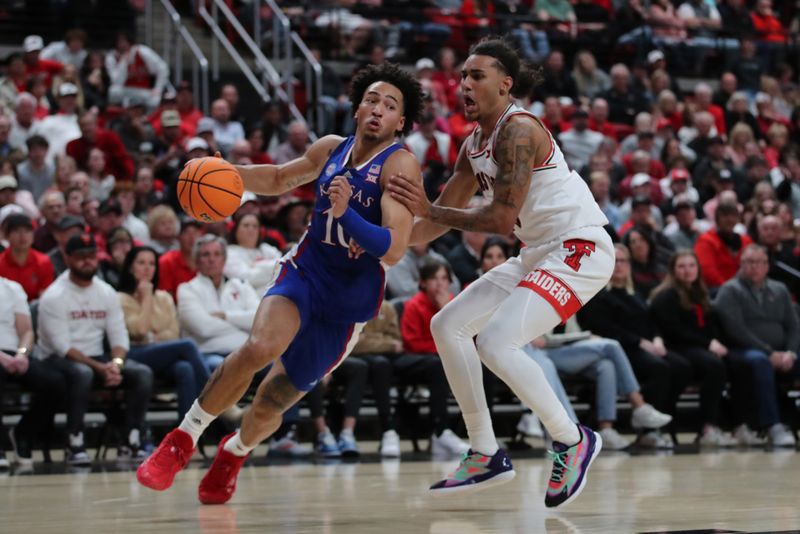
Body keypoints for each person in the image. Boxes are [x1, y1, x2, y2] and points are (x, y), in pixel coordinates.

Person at [137, 62, 423, 505]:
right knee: (260, 347)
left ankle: (234, 453)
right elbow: (277, 178)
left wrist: (346, 213)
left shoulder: (400, 164)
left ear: (399, 122)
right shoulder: (332, 148)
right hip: (305, 273)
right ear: (356, 108)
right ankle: (181, 439)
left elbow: (393, 249)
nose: (377, 109)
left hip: (346, 306)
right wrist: (224, 171)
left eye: (389, 105)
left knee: (271, 403)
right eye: (371, 99)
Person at [387, 39, 612, 506]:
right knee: (446, 325)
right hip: (538, 250)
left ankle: (571, 439)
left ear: (505, 84)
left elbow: (498, 219)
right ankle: (485, 451)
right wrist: (376, 241)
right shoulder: (473, 144)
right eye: (463, 76)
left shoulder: (520, 130)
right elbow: (434, 218)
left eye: (476, 75)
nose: (464, 84)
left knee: (495, 342)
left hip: (579, 246)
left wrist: (431, 209)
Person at [36, 233, 154, 464]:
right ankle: (74, 440)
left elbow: (119, 336)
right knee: (83, 373)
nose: (88, 261)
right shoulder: (54, 295)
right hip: (55, 359)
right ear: (67, 258)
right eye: (81, 257)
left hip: (97, 357)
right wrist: (101, 368)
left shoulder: (106, 291)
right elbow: (63, 346)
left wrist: (116, 365)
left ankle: (130, 437)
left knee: (142, 373)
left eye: (91, 256)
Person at [649, 251, 736, 447]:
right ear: (673, 270)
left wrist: (714, 341)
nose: (687, 271)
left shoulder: (701, 295)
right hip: (676, 347)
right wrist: (708, 344)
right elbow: (674, 331)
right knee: (712, 365)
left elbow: (711, 326)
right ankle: (706, 427)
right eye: (682, 266)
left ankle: (731, 424)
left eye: (691, 266)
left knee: (730, 362)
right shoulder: (666, 296)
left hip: (696, 348)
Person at [715, 244, 798, 447]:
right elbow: (736, 330)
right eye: (750, 262)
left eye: (760, 262)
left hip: (781, 352)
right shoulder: (730, 290)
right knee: (760, 362)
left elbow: (794, 326)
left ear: (767, 266)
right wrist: (769, 352)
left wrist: (791, 352)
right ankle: (772, 425)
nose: (755, 267)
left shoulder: (780, 289)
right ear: (741, 264)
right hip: (743, 350)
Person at [118, 246, 211, 423]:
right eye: (141, 263)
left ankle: (186, 435)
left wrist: (152, 337)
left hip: (161, 354)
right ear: (130, 267)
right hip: (133, 355)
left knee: (185, 368)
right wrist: (146, 297)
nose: (147, 268)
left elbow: (174, 333)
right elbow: (139, 331)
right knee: (188, 345)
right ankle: (218, 398)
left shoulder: (164, 298)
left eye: (152, 264)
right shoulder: (120, 299)